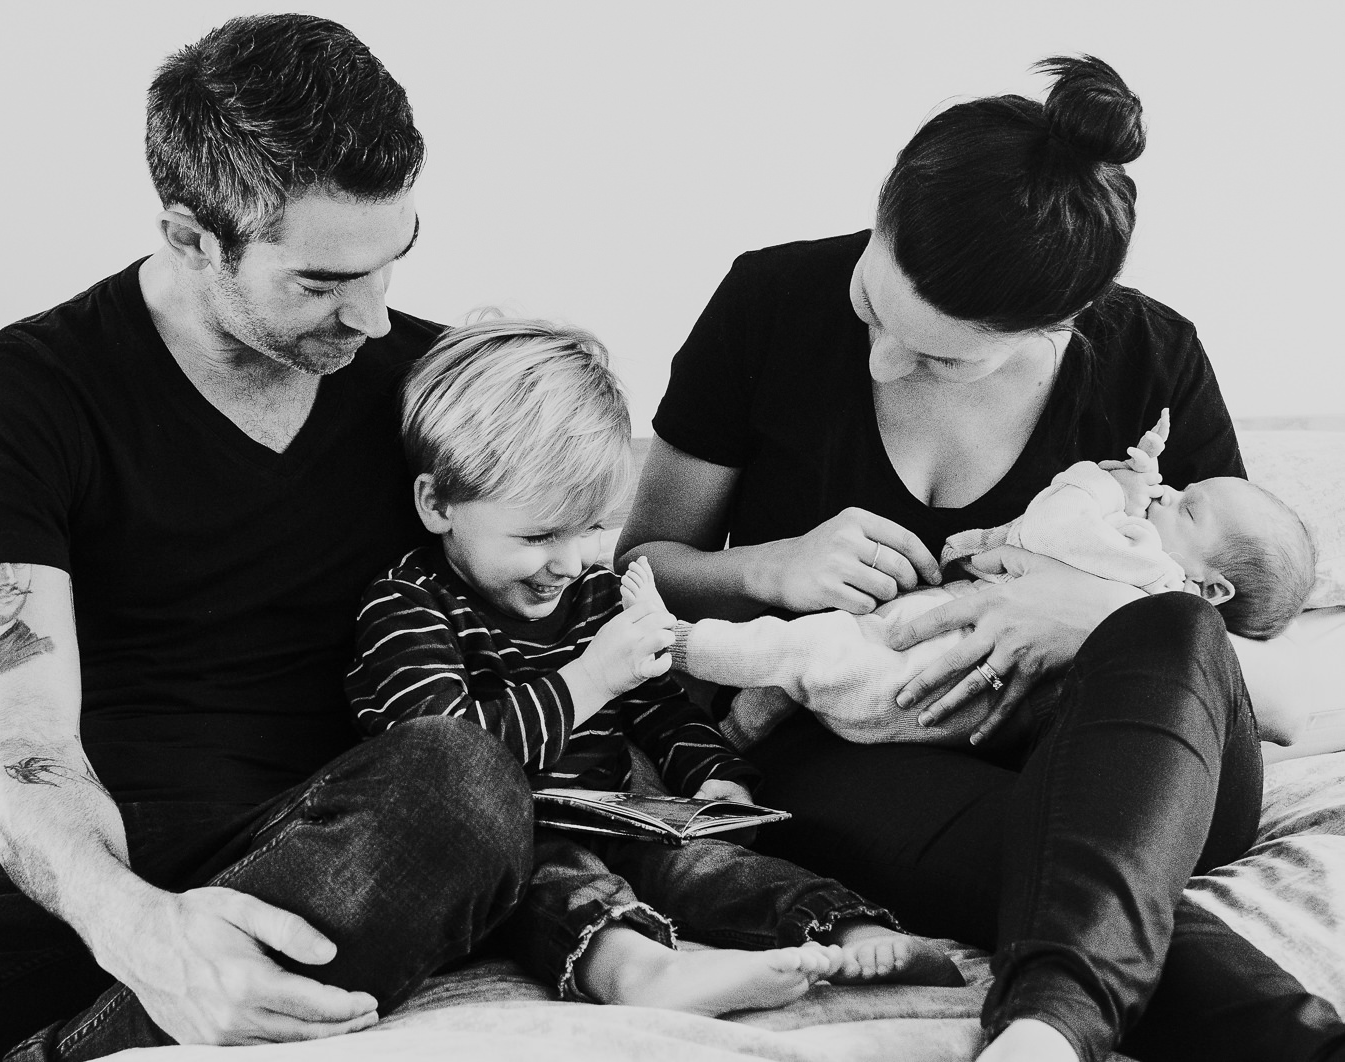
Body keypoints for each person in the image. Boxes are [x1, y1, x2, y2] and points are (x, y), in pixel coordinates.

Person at [615, 55, 1345, 1062]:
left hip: (1145, 770)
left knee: (1169, 622)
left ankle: (1057, 1015)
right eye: (872, 307)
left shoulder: (1150, 360)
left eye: (940, 355)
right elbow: (640, 571)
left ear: (1059, 327)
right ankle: (1076, 1028)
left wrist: (1094, 619)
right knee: (1077, 878)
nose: (883, 361)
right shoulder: (769, 301)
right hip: (856, 753)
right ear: (881, 210)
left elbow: (1276, 696)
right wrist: (766, 570)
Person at [0, 15, 534, 1062]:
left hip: (328, 844)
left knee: (464, 782)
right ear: (190, 236)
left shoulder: (439, 389)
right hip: (77, 853)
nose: (373, 318)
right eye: (319, 282)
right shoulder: (21, 392)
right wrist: (139, 930)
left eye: (392, 261)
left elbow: (560, 581)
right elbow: (18, 737)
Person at [346, 317, 963, 1016]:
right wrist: (590, 678)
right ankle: (638, 973)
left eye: (588, 529)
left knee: (707, 862)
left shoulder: (592, 596)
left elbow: (659, 706)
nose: (569, 561)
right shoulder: (408, 607)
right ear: (437, 504)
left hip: (620, 818)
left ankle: (844, 930)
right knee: (562, 884)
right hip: (502, 846)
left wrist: (715, 775)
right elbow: (440, 764)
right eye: (539, 535)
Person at [668, 410, 1316, 750]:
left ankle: (678, 646)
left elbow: (1058, 525)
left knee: (817, 653)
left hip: (945, 681)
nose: (1168, 492)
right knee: (812, 663)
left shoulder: (1151, 566)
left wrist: (1102, 485)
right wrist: (765, 566)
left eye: (1189, 507)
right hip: (958, 689)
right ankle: (730, 744)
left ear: (1213, 590)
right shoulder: (1154, 559)